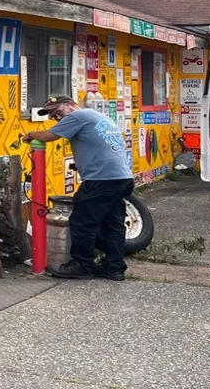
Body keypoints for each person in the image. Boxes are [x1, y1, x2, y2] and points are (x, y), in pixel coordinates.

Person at [22, 95, 134, 281]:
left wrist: (31, 135)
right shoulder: (98, 117)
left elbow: (47, 136)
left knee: (82, 222)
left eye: (58, 111)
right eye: (52, 115)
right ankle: (114, 267)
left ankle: (82, 265)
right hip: (121, 178)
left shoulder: (77, 116)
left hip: (101, 179)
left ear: (70, 105)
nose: (56, 117)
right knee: (112, 224)